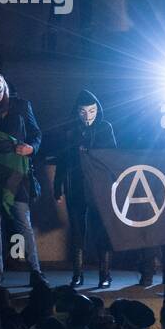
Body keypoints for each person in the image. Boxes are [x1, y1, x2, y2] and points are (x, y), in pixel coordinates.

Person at [0, 71, 47, 288]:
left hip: (18, 176)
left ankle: (35, 271)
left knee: (23, 222)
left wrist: (30, 148)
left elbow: (36, 134)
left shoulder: (21, 106)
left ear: (5, 87)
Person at [54, 89, 117, 289]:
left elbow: (113, 157)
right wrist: (58, 187)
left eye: (91, 111)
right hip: (76, 187)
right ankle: (77, 274)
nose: (87, 116)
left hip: (99, 188)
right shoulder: (69, 130)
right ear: (77, 111)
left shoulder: (105, 128)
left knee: (102, 230)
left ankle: (105, 274)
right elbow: (62, 161)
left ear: (97, 109)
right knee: (77, 232)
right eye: (83, 111)